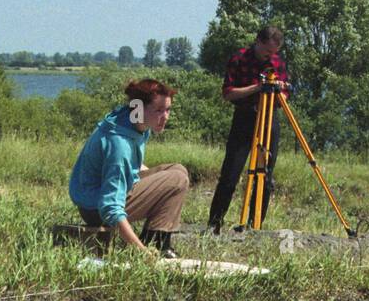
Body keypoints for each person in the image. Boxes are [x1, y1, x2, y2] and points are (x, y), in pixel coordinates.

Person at [69, 78, 189, 256]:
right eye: (158, 110)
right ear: (139, 109)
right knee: (177, 179)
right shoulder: (119, 144)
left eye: (168, 110)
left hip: (98, 198)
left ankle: (157, 240)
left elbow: (132, 164)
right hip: (96, 208)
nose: (165, 117)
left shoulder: (133, 121)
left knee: (178, 170)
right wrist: (140, 252)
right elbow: (110, 207)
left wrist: (156, 185)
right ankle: (153, 247)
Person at [207, 26, 290, 233]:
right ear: (258, 42)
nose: (270, 56)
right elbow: (228, 93)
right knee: (230, 174)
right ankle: (214, 224)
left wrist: (278, 91)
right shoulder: (239, 58)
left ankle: (255, 226)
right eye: (267, 51)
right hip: (244, 117)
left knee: (265, 175)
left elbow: (287, 93)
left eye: (273, 52)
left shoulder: (278, 62)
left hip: (269, 117)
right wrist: (257, 88)